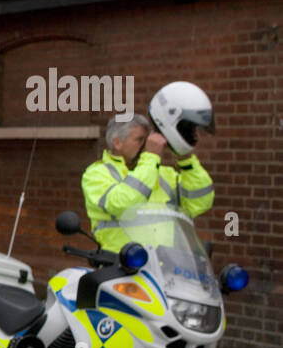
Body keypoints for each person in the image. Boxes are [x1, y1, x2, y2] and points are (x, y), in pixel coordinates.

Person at [82, 82, 215, 252]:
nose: (147, 145)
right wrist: (150, 157)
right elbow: (124, 205)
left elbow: (200, 202)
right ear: (117, 143)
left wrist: (186, 159)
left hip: (164, 267)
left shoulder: (161, 172)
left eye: (148, 138)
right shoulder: (96, 174)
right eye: (139, 140)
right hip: (120, 267)